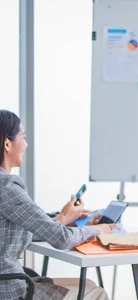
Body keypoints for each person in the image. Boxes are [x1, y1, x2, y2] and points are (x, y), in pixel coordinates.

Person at [0, 109, 119, 300]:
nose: (26, 144)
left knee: (88, 285)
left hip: (8, 281)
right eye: (23, 137)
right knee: (96, 293)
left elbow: (13, 231)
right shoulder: (6, 186)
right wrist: (98, 230)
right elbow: (61, 240)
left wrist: (63, 220)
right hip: (10, 290)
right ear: (7, 143)